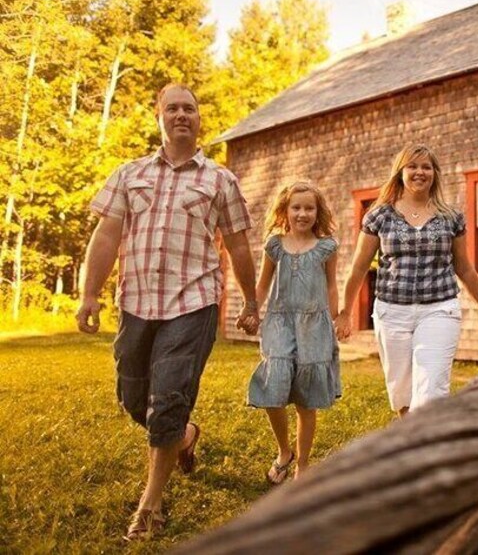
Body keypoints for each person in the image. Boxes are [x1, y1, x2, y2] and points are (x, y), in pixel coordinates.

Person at [75, 83, 259, 541]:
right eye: (172, 108)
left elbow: (238, 244)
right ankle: (185, 434)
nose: (181, 115)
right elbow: (106, 237)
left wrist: (251, 300)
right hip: (136, 302)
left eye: (189, 109)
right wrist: (89, 294)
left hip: (193, 302)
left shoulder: (220, 180)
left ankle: (150, 507)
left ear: (200, 120)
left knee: (168, 399)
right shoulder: (128, 173)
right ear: (159, 117)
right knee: (134, 399)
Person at [335, 144, 478, 417]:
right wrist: (346, 312)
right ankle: (411, 442)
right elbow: (359, 267)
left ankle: (429, 447)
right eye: (413, 166)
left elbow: (464, 267)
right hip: (392, 311)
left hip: (439, 308)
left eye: (426, 167)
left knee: (431, 387)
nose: (420, 172)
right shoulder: (379, 215)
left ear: (435, 173)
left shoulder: (450, 217)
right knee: (401, 390)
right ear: (400, 172)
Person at [247, 181, 341, 484]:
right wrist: (252, 309)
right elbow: (262, 284)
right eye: (296, 207)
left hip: (315, 324)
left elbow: (331, 286)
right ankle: (284, 451)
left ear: (318, 211)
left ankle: (301, 464)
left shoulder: (327, 247)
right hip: (278, 321)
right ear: (285, 210)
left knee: (306, 398)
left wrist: (337, 318)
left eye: (309, 208)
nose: (302, 213)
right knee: (273, 385)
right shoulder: (274, 245)